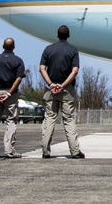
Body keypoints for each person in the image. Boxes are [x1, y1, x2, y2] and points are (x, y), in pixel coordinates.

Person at [39, 25, 84, 158]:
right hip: (67, 91)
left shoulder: (48, 49)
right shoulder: (73, 50)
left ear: (57, 35)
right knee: (68, 120)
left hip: (51, 90)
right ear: (68, 36)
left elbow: (42, 68)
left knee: (49, 120)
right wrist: (63, 85)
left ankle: (45, 151)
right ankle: (75, 151)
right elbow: (75, 70)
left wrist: (51, 84)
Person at [0, 37, 26, 159]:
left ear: (3, 46)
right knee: (11, 121)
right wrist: (9, 93)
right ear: (14, 47)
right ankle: (9, 150)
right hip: (10, 94)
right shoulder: (18, 61)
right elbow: (18, 78)